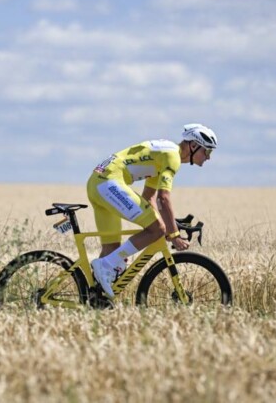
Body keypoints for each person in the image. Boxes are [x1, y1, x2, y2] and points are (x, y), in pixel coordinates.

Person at [87, 123, 217, 298]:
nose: (208, 157)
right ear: (193, 145)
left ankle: (94, 299)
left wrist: (167, 224)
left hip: (97, 183)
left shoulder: (164, 155)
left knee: (112, 248)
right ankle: (104, 266)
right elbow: (164, 198)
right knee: (156, 230)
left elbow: (149, 197)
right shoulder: (173, 157)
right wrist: (173, 234)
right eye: (207, 151)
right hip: (109, 182)